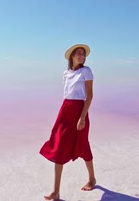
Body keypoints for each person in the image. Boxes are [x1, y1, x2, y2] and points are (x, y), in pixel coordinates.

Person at [40, 44, 96, 200]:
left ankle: (92, 179)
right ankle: (56, 191)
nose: (81, 56)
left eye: (83, 54)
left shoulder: (86, 71)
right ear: (72, 56)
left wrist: (82, 117)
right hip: (65, 109)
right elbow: (68, 95)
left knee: (83, 144)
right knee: (58, 146)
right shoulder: (66, 73)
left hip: (79, 110)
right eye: (78, 53)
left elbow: (90, 96)